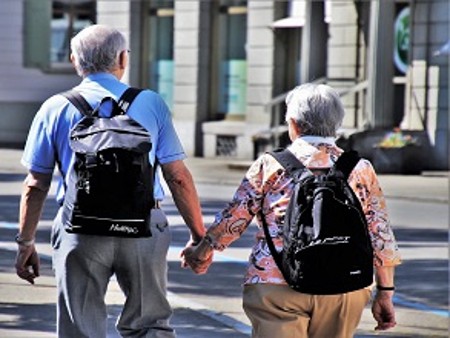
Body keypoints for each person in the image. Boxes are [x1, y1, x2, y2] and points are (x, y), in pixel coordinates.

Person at [14, 24, 207, 338]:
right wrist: (200, 236)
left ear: (75, 60)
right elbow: (178, 177)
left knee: (80, 327)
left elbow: (35, 184)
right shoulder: (151, 103)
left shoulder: (55, 107)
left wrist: (25, 243)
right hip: (144, 227)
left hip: (80, 229)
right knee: (150, 325)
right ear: (122, 58)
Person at [182, 83, 401, 338]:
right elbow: (380, 234)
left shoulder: (270, 165)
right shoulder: (360, 168)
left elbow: (236, 217)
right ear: (337, 124)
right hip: (343, 287)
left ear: (294, 124)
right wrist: (385, 291)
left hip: (276, 283)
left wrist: (202, 251)